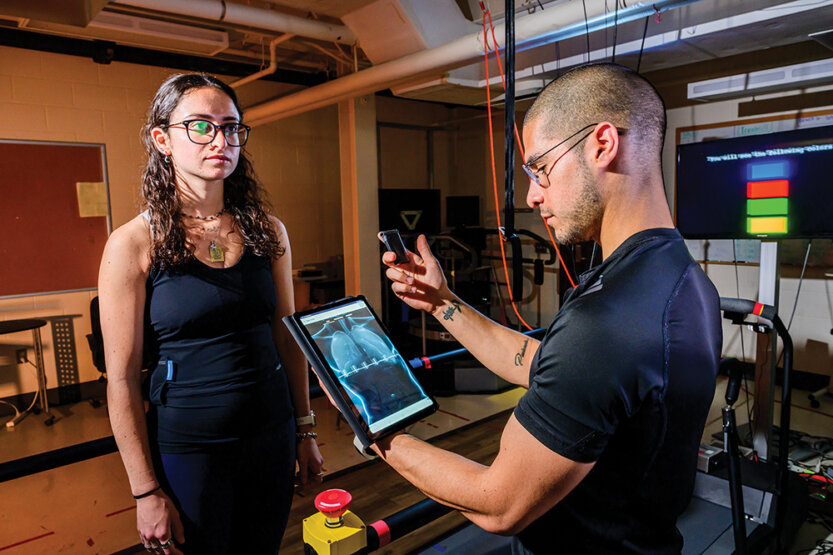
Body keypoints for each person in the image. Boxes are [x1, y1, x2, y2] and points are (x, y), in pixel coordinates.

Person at [373, 63, 722, 553]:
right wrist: (443, 304)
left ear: (602, 144)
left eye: (540, 169)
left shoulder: (609, 323)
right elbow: (549, 366)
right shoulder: (679, 279)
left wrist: (377, 426)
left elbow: (498, 505)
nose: (534, 195)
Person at [98, 73, 323, 555]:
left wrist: (305, 430)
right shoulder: (134, 243)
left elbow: (288, 338)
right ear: (163, 139)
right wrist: (144, 490)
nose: (220, 139)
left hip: (271, 435)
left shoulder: (269, 231)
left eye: (231, 126)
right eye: (201, 126)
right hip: (190, 450)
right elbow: (121, 380)